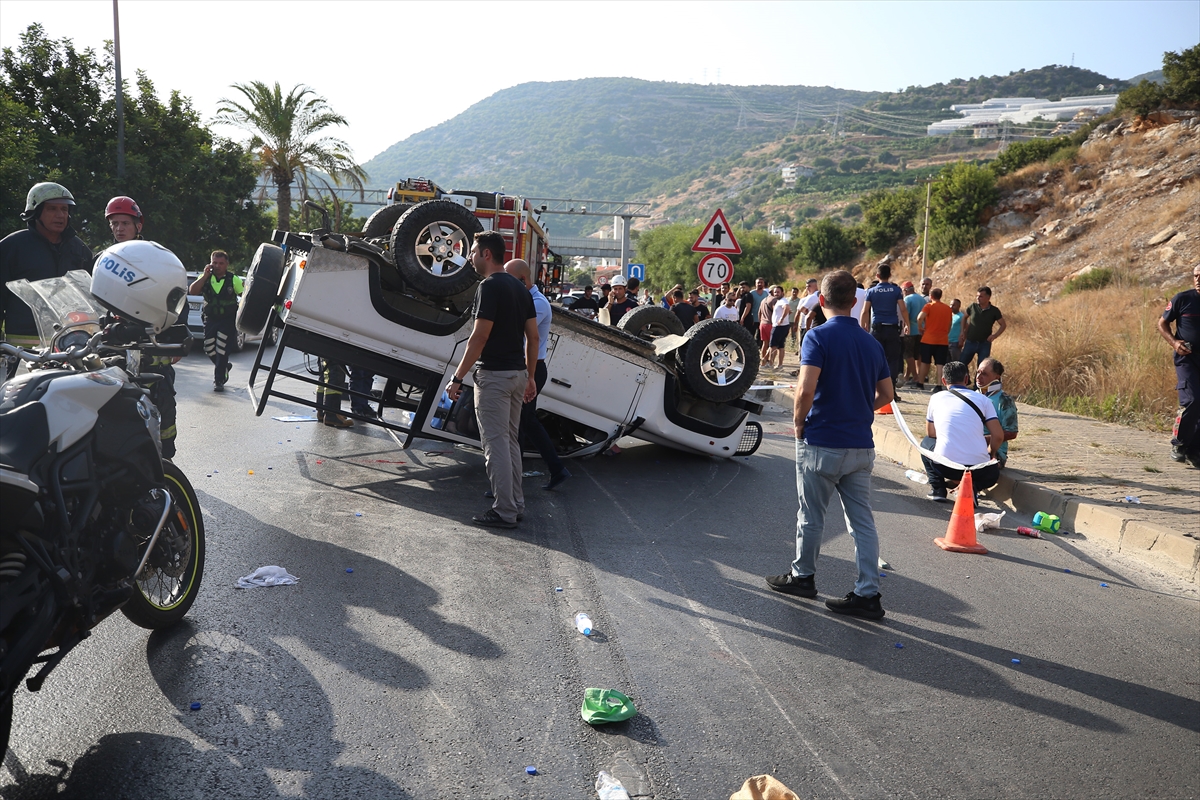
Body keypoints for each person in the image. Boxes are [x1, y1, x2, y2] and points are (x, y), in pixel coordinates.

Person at [765, 269, 893, 621]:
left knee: (811, 516)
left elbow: (806, 390)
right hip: (860, 446)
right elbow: (887, 394)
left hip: (822, 442)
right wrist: (858, 408)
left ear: (820, 301)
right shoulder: (872, 343)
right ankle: (868, 593)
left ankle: (803, 577)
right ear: (854, 302)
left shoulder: (817, 337)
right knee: (862, 522)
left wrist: (798, 424)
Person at [445, 231, 538, 528]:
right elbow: (533, 337)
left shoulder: (489, 287)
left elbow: (479, 337)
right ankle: (515, 504)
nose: (470, 257)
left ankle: (504, 511)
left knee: (495, 445)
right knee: (510, 442)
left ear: (486, 254)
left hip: (495, 377)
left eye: (473, 251)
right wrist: (531, 376)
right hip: (517, 374)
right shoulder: (521, 289)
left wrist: (457, 377)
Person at [103, 196, 181, 458]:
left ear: (138, 225)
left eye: (125, 222)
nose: (119, 228)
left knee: (163, 416)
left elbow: (175, 298)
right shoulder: (104, 261)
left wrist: (179, 333)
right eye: (114, 223)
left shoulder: (154, 258)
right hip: (114, 357)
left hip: (154, 359)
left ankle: (165, 466)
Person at [0, 182, 94, 356]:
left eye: (64, 210)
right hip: (23, 353)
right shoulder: (11, 248)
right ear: (35, 213)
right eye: (52, 209)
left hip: (71, 348)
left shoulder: (79, 250)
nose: (60, 215)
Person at [505, 259, 572, 491]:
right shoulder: (525, 299)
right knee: (524, 423)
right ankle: (555, 470)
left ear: (523, 281)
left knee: (520, 424)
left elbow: (524, 336)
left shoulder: (538, 304)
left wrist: (528, 376)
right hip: (524, 368)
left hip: (531, 369)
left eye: (509, 280)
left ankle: (513, 481)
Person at [921, 361, 1004, 502]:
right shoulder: (983, 400)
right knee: (992, 472)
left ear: (943, 380)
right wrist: (992, 452)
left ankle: (938, 489)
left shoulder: (936, 398)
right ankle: (972, 487)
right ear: (966, 379)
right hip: (979, 470)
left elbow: (931, 433)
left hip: (945, 467)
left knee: (925, 443)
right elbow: (998, 435)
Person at [1158, 263, 1200, 466]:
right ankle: (1180, 443)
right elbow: (1162, 323)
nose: (1198, 279)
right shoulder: (1183, 299)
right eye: (1196, 276)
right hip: (1187, 359)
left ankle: (1194, 449)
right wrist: (1174, 343)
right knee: (1192, 399)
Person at [188, 250, 243, 393]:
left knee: (222, 348)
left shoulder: (233, 279)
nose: (217, 266)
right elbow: (192, 291)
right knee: (208, 348)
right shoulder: (205, 277)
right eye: (215, 263)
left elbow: (245, 296)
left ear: (227, 264)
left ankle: (219, 380)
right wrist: (205, 276)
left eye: (221, 263)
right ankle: (223, 366)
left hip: (228, 319)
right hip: (210, 318)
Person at [859, 263, 907, 400]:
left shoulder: (871, 291)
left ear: (877, 276)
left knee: (874, 358)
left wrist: (864, 326)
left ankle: (872, 389)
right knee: (892, 359)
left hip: (877, 329)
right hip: (892, 328)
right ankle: (891, 390)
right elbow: (903, 309)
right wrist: (907, 324)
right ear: (890, 275)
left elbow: (865, 311)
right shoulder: (896, 290)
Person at [976, 357, 1019, 468]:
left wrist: (982, 440)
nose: (978, 377)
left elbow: (1011, 433)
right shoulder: (973, 395)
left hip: (996, 452)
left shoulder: (1005, 401)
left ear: (997, 377)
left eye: (984, 374)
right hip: (972, 446)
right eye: (978, 372)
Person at [959, 286, 1006, 371]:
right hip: (970, 341)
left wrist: (994, 335)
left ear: (988, 297)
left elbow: (1003, 325)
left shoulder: (994, 311)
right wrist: (962, 331)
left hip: (984, 343)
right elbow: (964, 318)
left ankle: (978, 384)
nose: (978, 298)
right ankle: (963, 381)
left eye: (980, 296)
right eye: (977, 296)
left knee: (982, 368)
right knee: (961, 364)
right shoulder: (973, 307)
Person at [915, 287, 952, 390]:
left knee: (925, 362)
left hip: (928, 338)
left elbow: (919, 317)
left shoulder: (929, 306)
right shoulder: (947, 308)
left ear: (931, 296)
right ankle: (939, 385)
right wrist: (946, 333)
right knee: (940, 364)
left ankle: (920, 383)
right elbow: (949, 324)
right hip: (942, 340)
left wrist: (920, 327)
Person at [901, 280, 927, 386]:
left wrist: (905, 325)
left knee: (908, 354)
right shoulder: (922, 299)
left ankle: (915, 376)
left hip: (910, 330)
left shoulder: (907, 299)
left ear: (906, 290)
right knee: (917, 354)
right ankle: (908, 376)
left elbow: (907, 315)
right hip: (921, 330)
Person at [767, 285, 791, 368]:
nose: (776, 293)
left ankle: (771, 364)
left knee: (773, 346)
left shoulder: (783, 301)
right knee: (780, 346)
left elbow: (787, 307)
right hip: (783, 326)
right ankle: (780, 364)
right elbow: (787, 309)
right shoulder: (780, 301)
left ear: (782, 293)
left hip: (779, 326)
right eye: (775, 292)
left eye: (778, 292)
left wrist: (781, 318)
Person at [758, 284, 778, 362]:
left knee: (764, 343)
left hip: (763, 324)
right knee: (773, 344)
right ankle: (769, 359)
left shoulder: (763, 300)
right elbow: (776, 311)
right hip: (771, 324)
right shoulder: (774, 300)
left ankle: (763, 357)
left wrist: (760, 322)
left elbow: (759, 312)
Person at [747, 278, 769, 343]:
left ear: (764, 284)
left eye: (761, 282)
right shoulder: (751, 293)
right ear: (755, 284)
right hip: (753, 318)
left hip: (763, 319)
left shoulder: (766, 294)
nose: (760, 284)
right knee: (751, 335)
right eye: (758, 283)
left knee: (760, 337)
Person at [947, 298, 964, 363]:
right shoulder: (949, 315)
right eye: (950, 304)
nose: (951, 306)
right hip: (946, 342)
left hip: (955, 343)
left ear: (959, 306)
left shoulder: (961, 316)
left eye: (954, 305)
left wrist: (962, 339)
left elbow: (967, 327)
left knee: (956, 363)